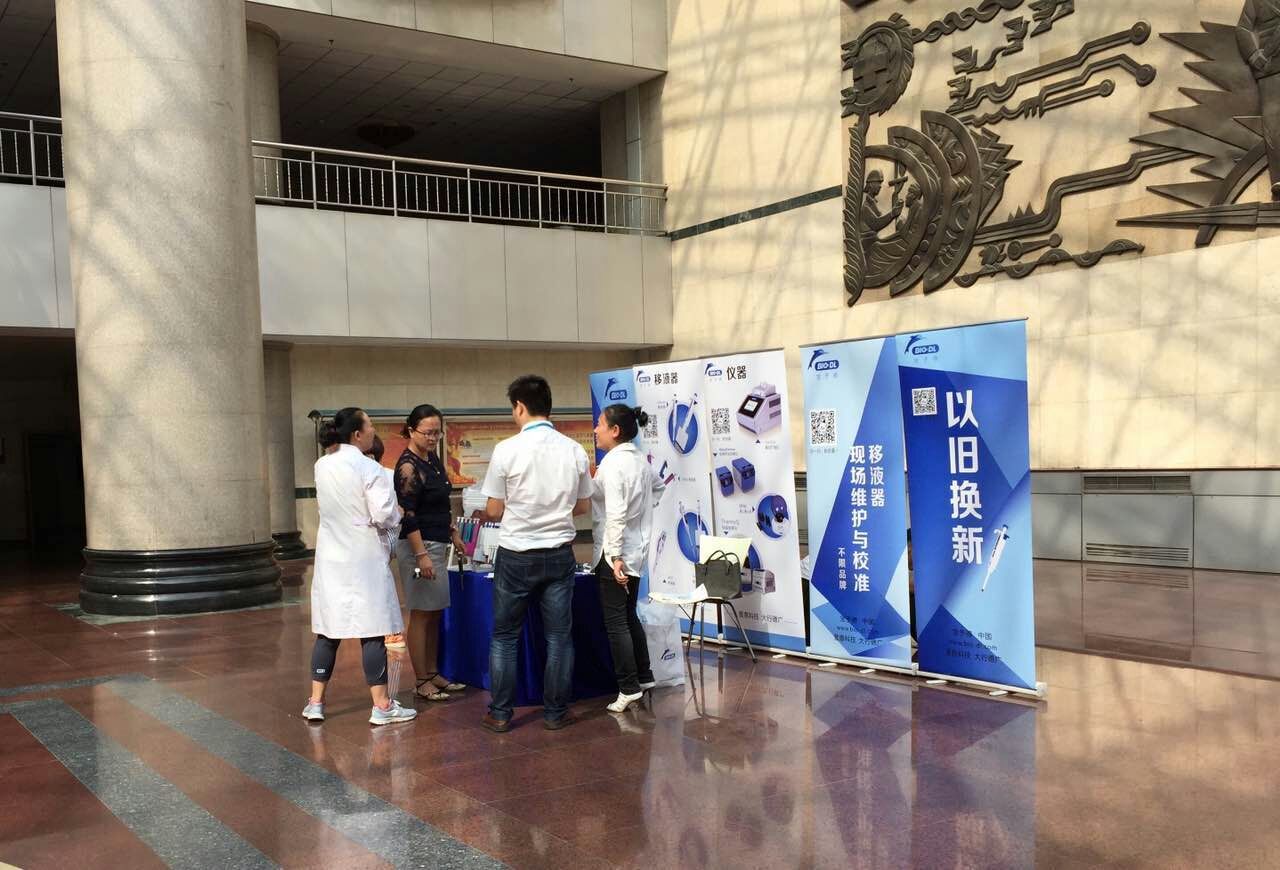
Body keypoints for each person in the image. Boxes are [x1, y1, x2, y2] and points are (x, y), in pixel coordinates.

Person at [479, 375, 593, 733]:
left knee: (505, 636)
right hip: (559, 553)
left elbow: (494, 510)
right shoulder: (573, 450)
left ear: (519, 407)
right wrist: (553, 511)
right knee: (559, 637)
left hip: (516, 554)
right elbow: (583, 505)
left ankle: (500, 714)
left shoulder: (506, 450)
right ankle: (556, 713)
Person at [302, 407, 417, 727]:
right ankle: (381, 706)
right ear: (357, 434)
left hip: (331, 557)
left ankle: (315, 702)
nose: (373, 431)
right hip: (364, 557)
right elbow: (383, 515)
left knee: (328, 630)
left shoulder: (322, 465)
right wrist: (397, 513)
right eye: (370, 426)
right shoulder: (371, 468)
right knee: (372, 630)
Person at [592, 404, 665, 713]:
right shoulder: (639, 460)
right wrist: (642, 515)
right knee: (628, 614)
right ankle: (644, 676)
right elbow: (658, 488)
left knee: (616, 622)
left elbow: (617, 514)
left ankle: (628, 687)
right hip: (636, 548)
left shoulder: (613, 464)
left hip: (617, 553)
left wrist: (615, 556)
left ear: (615, 430)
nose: (595, 429)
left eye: (600, 424)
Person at [394, 404, 467, 702]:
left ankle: (433, 672)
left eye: (437, 432)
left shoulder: (432, 459)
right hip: (418, 547)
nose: (433, 438)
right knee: (421, 613)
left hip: (437, 542)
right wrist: (421, 555)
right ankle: (421, 679)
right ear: (411, 430)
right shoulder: (408, 467)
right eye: (427, 432)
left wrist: (453, 532)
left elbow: (439, 504)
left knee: (435, 611)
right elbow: (408, 515)